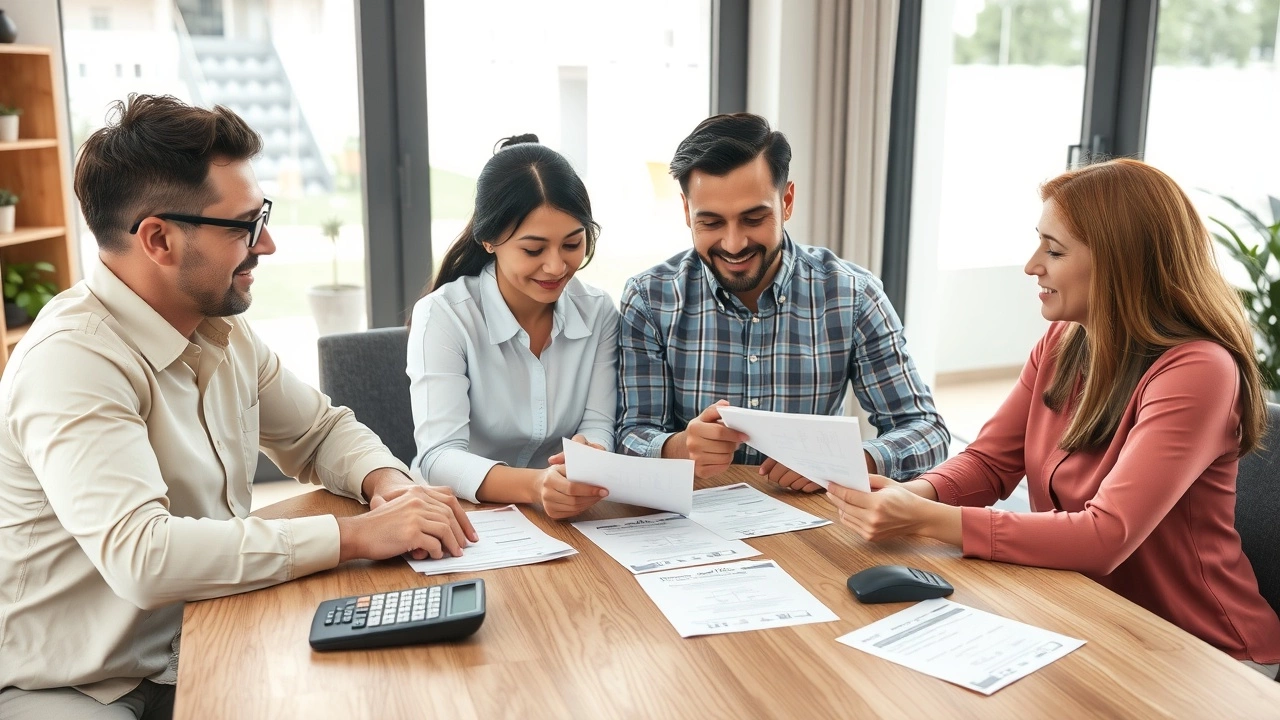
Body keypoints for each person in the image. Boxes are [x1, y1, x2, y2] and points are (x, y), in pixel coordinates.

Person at [0, 94, 479, 718]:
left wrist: (385, 483)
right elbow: (144, 558)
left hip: (205, 632)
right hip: (81, 684)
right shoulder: (73, 362)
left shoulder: (216, 327)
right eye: (245, 225)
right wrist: (355, 535)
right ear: (159, 239)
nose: (270, 244)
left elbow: (317, 432)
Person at [824, 158, 1280, 678]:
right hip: (1093, 618)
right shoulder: (1065, 341)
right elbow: (990, 462)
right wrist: (917, 495)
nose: (1031, 265)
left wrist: (927, 520)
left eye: (1054, 249)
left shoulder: (1199, 371)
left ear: (1120, 263)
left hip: (1204, 654)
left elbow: (1104, 537)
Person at [617, 113, 949, 488]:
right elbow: (631, 432)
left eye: (754, 218)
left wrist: (851, 460)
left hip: (815, 528)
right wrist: (678, 448)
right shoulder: (650, 299)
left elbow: (926, 430)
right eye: (710, 223)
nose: (734, 243)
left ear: (786, 201)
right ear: (686, 212)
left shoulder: (852, 295)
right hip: (694, 519)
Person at [408, 135, 617, 520]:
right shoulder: (443, 315)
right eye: (533, 250)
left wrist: (593, 454)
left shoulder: (599, 312)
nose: (556, 267)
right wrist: (536, 486)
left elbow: (599, 424)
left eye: (572, 244)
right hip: (462, 517)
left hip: (565, 519)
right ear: (489, 240)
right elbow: (438, 456)